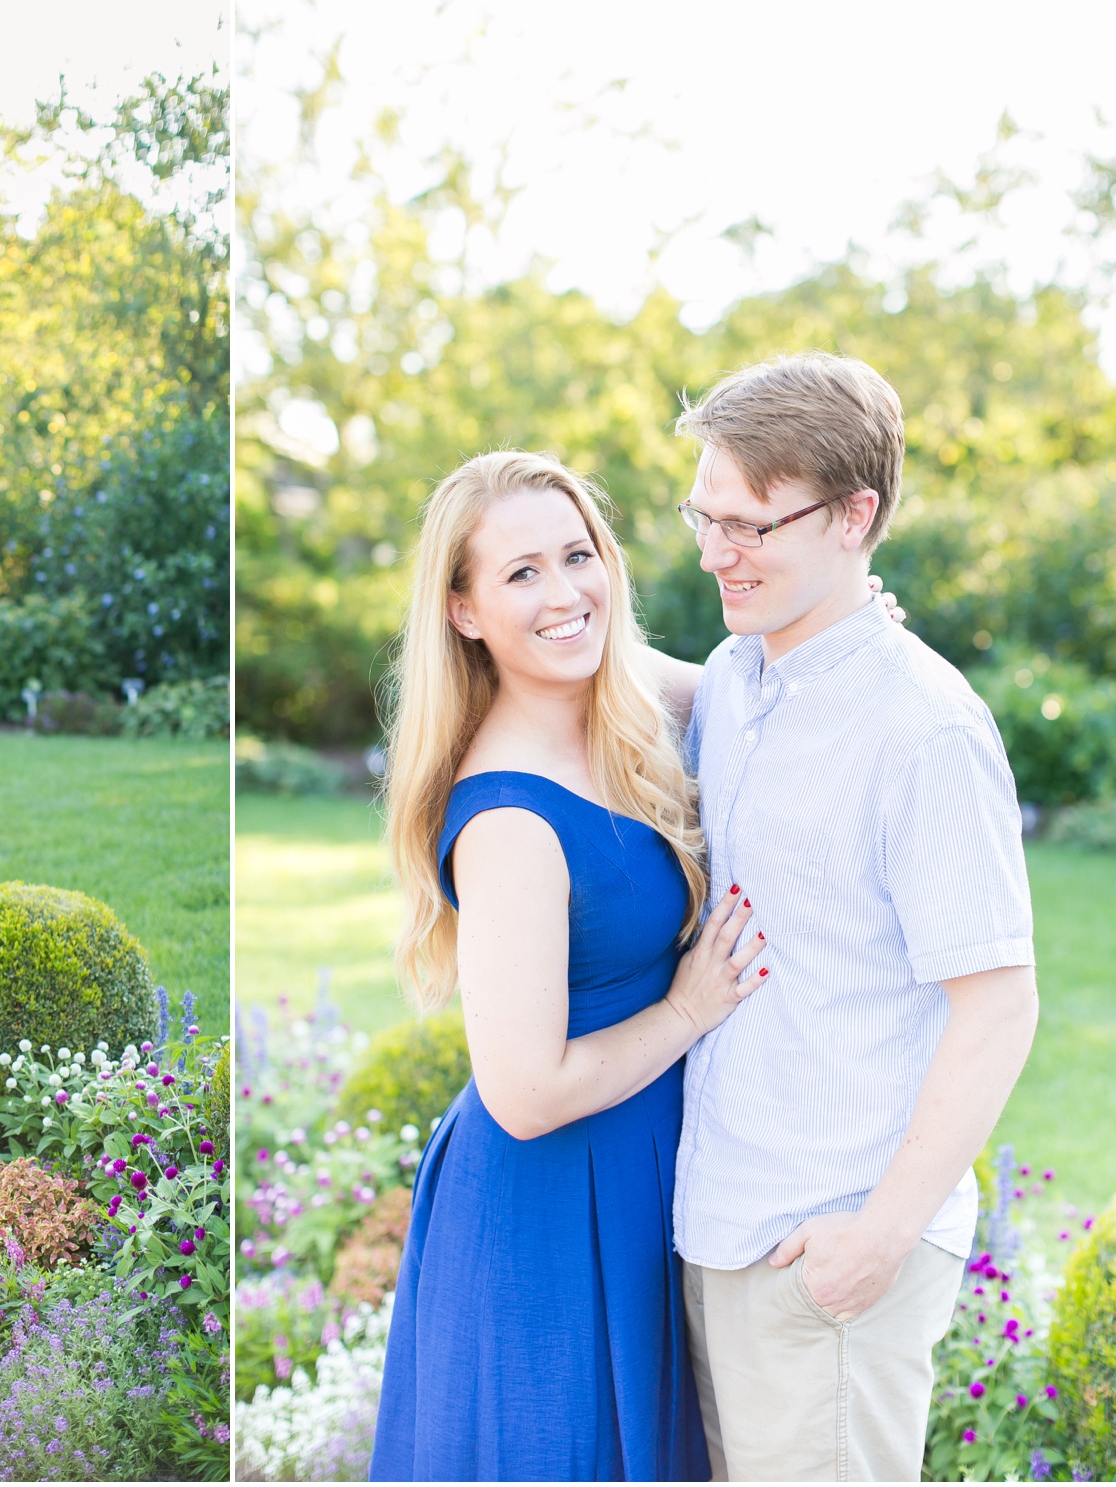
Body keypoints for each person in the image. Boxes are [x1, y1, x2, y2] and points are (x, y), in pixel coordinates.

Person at [368, 450, 772, 1481]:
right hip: (550, 1211)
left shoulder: (623, 693)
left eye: (575, 555)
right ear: (460, 609)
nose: (563, 594)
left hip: (639, 1175)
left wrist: (851, 627)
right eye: (519, 574)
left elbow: (759, 676)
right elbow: (522, 1090)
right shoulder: (507, 816)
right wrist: (687, 1012)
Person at [670, 352, 1038, 1482]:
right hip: (720, 1225)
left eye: (749, 523)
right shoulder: (736, 677)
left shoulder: (923, 729)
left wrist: (874, 1238)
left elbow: (998, 1005)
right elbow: (586, 662)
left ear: (853, 516)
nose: (714, 549)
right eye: (702, 513)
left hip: (832, 1246)